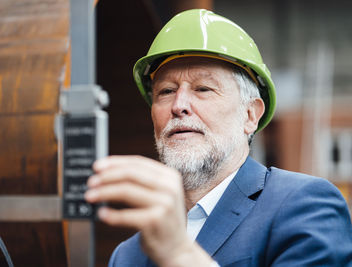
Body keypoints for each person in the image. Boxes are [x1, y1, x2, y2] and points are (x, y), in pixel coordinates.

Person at [85, 9, 352, 267]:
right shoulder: (127, 256)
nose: (179, 105)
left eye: (203, 88)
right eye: (166, 91)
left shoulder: (303, 206)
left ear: (250, 115)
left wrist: (180, 255)